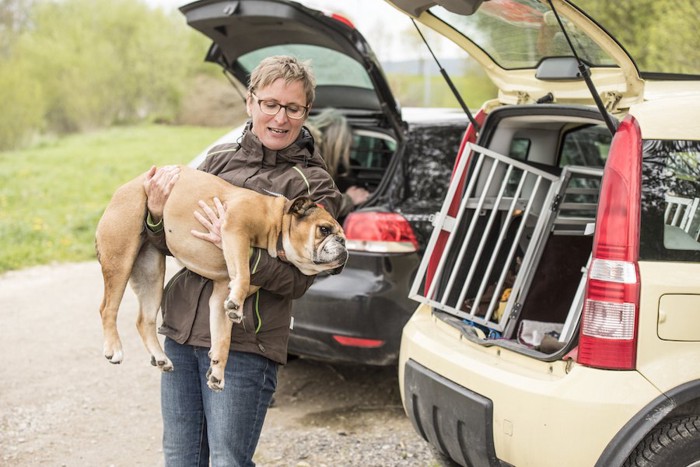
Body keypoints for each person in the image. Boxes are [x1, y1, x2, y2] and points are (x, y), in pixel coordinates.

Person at [142, 55, 345, 467]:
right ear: (250, 103)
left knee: (228, 462)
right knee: (180, 459)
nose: (280, 118)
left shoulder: (313, 185)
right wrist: (156, 215)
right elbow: (171, 246)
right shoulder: (217, 161)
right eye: (270, 103)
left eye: (293, 108)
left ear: (306, 113)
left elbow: (301, 282)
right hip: (181, 333)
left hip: (247, 344)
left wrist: (239, 251)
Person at [307, 108, 369, 217]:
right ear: (334, 145)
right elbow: (313, 209)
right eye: (342, 152)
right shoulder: (307, 159)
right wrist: (349, 199)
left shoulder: (304, 150)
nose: (342, 159)